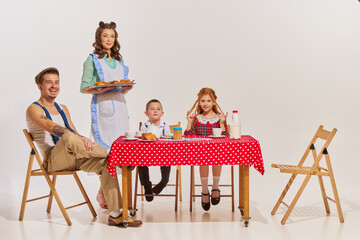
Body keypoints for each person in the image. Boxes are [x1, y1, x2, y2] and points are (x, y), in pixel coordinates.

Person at [26, 67, 142, 227]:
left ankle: (116, 214)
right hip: (53, 160)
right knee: (66, 135)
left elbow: (74, 133)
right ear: (40, 86)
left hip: (73, 154)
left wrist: (84, 139)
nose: (54, 86)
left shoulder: (62, 108)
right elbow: (51, 126)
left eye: (57, 82)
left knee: (105, 164)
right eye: (49, 83)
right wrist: (75, 138)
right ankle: (114, 155)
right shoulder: (34, 108)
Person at [80, 21, 134, 208]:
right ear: (99, 38)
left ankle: (102, 193)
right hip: (103, 107)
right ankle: (109, 196)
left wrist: (125, 88)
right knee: (108, 152)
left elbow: (120, 87)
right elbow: (84, 88)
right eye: (105, 36)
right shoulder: (92, 59)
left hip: (119, 105)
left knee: (122, 149)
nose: (109, 40)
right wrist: (101, 90)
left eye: (112, 36)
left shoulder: (119, 60)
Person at [184, 87, 228, 211]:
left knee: (216, 159)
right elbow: (188, 136)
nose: (205, 104)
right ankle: (204, 190)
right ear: (199, 102)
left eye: (208, 101)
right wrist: (189, 122)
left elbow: (225, 135)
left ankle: (215, 187)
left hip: (216, 150)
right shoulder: (197, 118)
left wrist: (222, 123)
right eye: (202, 101)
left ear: (214, 102)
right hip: (201, 151)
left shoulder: (220, 117)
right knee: (203, 160)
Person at [139, 99, 172, 201]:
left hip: (163, 153)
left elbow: (169, 138)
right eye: (152, 109)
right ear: (146, 113)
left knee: (168, 160)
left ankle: (164, 182)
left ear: (162, 113)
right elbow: (143, 138)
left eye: (158, 109)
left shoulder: (165, 125)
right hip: (148, 153)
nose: (155, 111)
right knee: (140, 162)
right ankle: (146, 185)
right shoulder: (144, 126)